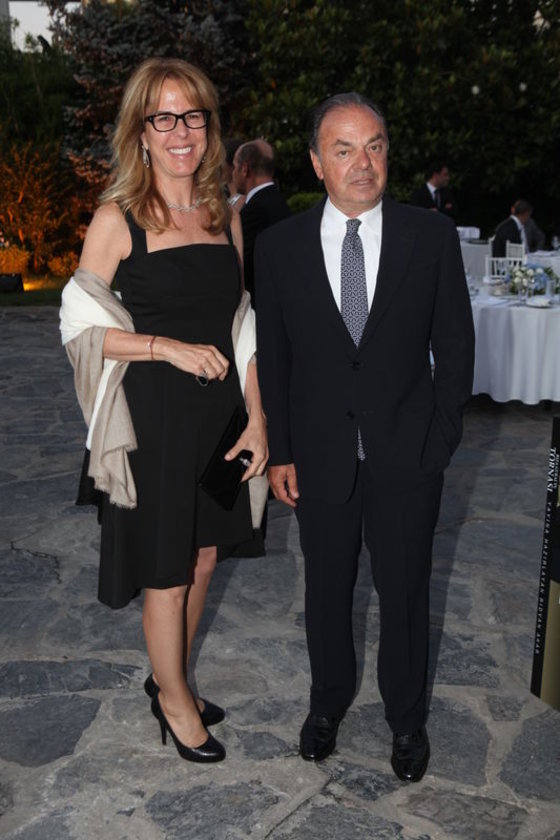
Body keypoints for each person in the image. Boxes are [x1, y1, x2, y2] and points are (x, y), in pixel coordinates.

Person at [255, 93, 474, 782]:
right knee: (325, 591)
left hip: (407, 454)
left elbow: (456, 346)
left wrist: (440, 439)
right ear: (317, 162)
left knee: (405, 592)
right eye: (344, 149)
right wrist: (282, 452)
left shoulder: (429, 237)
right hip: (319, 458)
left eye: (374, 146)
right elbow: (275, 358)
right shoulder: (279, 246)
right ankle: (327, 704)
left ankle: (406, 720)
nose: (363, 163)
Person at [60, 58, 267, 763]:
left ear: (209, 126)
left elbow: (242, 326)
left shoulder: (226, 216)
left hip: (220, 420)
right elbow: (78, 328)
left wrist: (259, 419)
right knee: (168, 569)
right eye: (164, 118)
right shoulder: (118, 218)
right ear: (141, 133)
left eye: (192, 116)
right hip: (155, 424)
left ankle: (169, 676)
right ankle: (175, 700)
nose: (181, 131)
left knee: (205, 559)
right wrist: (165, 348)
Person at [231, 139, 291, 304]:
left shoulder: (255, 211)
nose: (233, 173)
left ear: (245, 169)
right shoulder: (279, 202)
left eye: (235, 166)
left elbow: (239, 263)